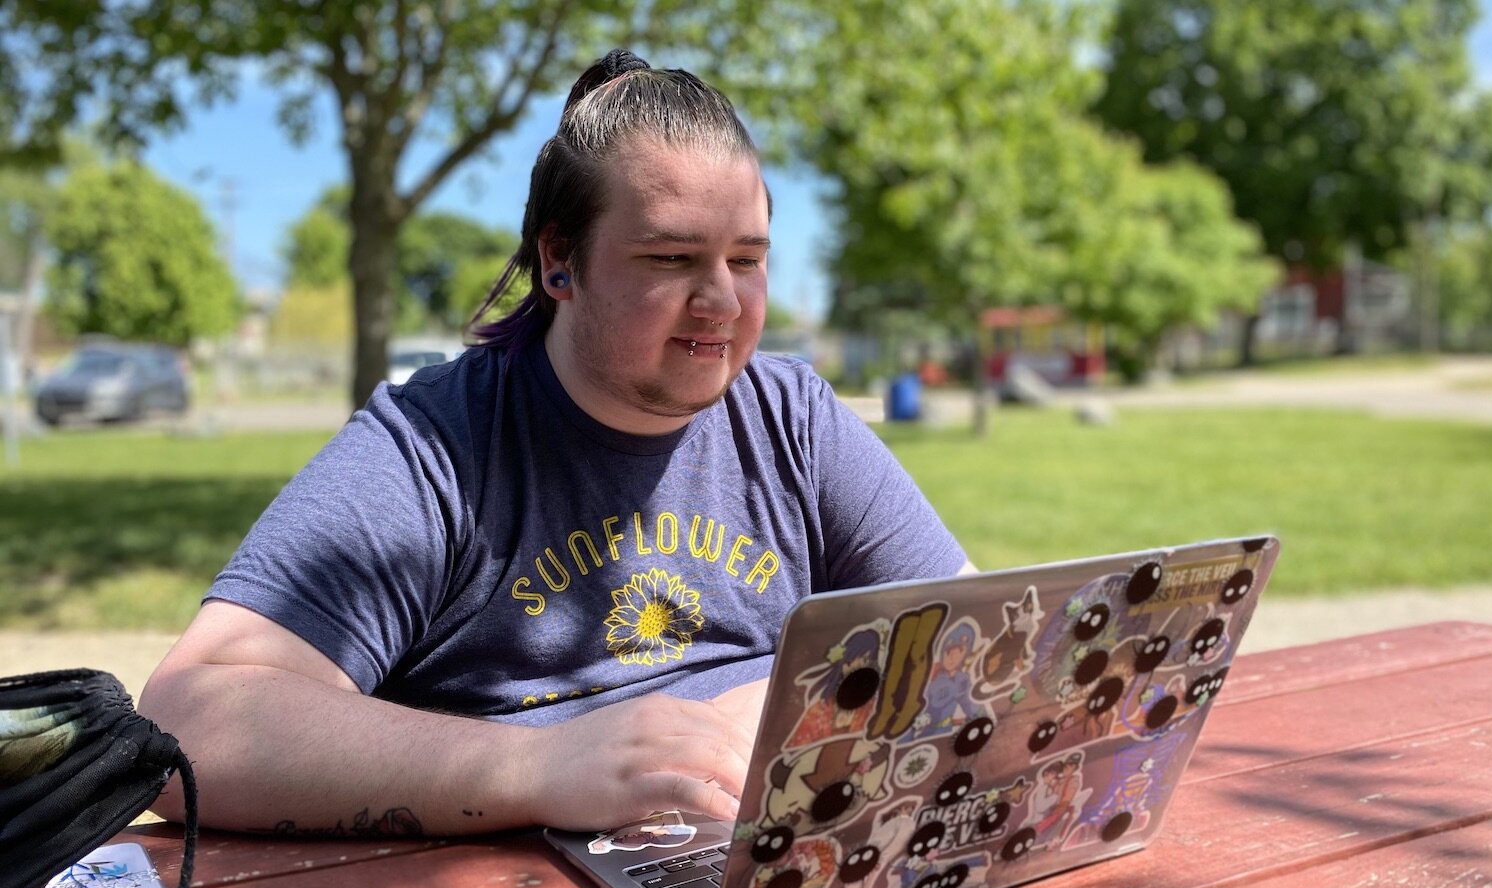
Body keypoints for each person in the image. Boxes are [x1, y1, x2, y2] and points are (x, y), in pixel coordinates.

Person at [142, 49, 971, 839]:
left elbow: (978, 632)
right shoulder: (433, 448)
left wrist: (774, 712)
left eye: (747, 260)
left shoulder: (792, 417)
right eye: (672, 257)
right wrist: (539, 766)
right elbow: (190, 723)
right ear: (559, 263)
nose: (721, 299)